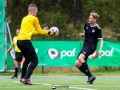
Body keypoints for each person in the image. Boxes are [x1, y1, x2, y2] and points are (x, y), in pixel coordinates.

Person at [17, 4, 55, 85]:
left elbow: (33, 32)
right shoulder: (34, 18)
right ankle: (26, 79)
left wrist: (42, 30)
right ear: (33, 11)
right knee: (35, 60)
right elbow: (40, 31)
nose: (36, 13)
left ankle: (22, 77)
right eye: (36, 11)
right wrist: (49, 32)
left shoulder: (24, 18)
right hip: (25, 41)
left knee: (27, 59)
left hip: (19, 41)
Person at [75, 11, 104, 84]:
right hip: (85, 46)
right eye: (89, 18)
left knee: (80, 58)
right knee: (77, 64)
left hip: (91, 47)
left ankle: (90, 76)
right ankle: (90, 76)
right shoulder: (87, 24)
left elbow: (101, 40)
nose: (89, 19)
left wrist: (100, 50)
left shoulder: (98, 28)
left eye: (91, 18)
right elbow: (86, 33)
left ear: (95, 19)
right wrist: (82, 34)